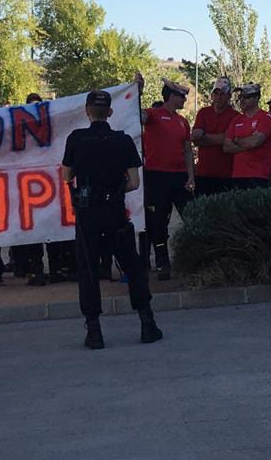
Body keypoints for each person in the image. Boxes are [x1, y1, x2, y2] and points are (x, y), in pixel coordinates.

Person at [62, 89, 162, 349]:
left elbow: (66, 176)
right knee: (132, 265)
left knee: (89, 269)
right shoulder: (123, 141)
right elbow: (134, 182)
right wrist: (114, 189)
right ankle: (147, 322)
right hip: (115, 211)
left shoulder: (76, 139)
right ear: (110, 112)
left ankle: (94, 330)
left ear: (86, 111)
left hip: (87, 213)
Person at [137, 76, 195, 280]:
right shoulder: (153, 115)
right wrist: (139, 90)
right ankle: (162, 263)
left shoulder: (182, 121)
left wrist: (191, 176)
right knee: (158, 223)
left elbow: (187, 150)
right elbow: (136, 114)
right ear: (171, 97)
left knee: (193, 216)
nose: (185, 101)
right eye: (181, 97)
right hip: (156, 176)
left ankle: (195, 258)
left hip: (179, 177)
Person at [223, 84, 271, 189]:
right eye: (240, 97)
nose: (242, 100)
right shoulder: (236, 120)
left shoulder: (266, 118)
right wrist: (247, 144)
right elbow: (226, 147)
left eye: (246, 97)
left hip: (259, 175)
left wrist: (237, 140)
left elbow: (255, 141)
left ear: (256, 98)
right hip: (238, 175)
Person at [191, 77, 239, 197]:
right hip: (203, 172)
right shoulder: (203, 112)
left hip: (226, 173)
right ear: (212, 95)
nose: (218, 97)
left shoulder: (235, 116)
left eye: (222, 94)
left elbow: (227, 140)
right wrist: (218, 139)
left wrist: (204, 136)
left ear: (229, 96)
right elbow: (195, 139)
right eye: (216, 94)